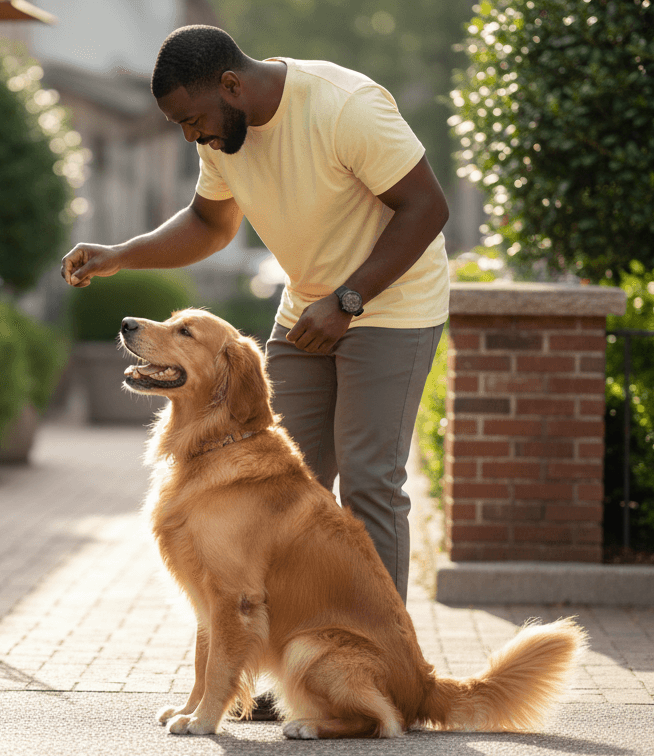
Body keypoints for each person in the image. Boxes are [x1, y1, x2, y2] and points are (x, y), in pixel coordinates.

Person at [61, 25, 449, 606]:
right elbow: (210, 224)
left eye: (193, 121)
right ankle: (286, 668)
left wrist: (348, 301)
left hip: (391, 303)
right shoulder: (222, 137)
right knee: (278, 483)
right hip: (308, 308)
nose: (193, 136)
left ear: (231, 85)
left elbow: (427, 207)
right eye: (182, 127)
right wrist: (123, 256)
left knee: (371, 482)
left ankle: (383, 662)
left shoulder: (345, 107)